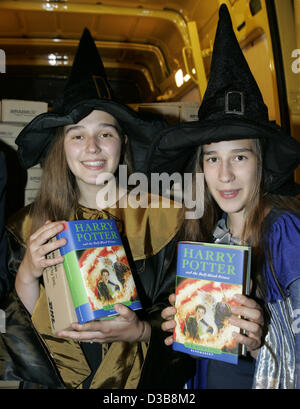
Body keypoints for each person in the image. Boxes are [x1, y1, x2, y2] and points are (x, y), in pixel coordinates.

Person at [0, 28, 195, 389]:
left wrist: (140, 331)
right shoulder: (24, 227)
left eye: (104, 133)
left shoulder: (169, 220)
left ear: (122, 142)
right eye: (77, 135)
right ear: (61, 146)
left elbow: (192, 322)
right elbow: (21, 335)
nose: (92, 147)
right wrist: (27, 273)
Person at [148, 4, 300, 389]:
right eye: (213, 158)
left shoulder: (286, 234)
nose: (225, 174)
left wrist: (261, 340)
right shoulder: (205, 233)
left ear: (261, 162)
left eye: (240, 156)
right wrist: (181, 323)